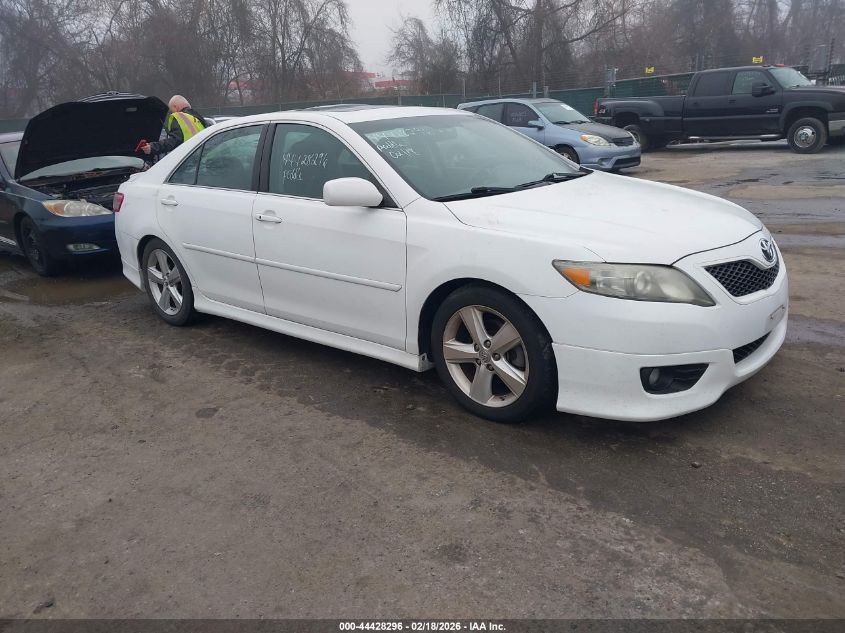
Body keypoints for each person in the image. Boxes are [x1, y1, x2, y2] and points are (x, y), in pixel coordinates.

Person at [140, 95, 206, 158]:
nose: (172, 113)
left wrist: (153, 147)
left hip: (188, 161)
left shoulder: (179, 117)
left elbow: (174, 141)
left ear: (175, 107)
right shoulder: (198, 119)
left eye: (172, 111)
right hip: (201, 158)